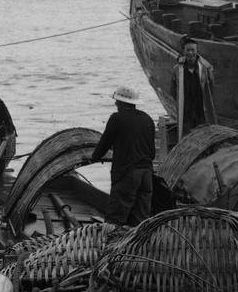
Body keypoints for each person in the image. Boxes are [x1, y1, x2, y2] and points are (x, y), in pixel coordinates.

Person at [90, 86, 155, 226]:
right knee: (140, 219)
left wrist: (93, 158)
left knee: (115, 218)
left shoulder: (117, 118)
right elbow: (152, 152)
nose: (115, 104)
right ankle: (139, 245)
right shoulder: (147, 119)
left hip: (127, 174)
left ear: (122, 103)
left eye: (117, 101)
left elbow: (104, 143)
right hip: (147, 174)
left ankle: (112, 246)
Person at [171, 38, 215, 138]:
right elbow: (173, 91)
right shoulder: (177, 70)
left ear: (196, 51)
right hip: (186, 113)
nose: (190, 53)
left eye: (193, 50)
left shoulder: (205, 68)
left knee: (204, 138)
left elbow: (211, 88)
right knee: (186, 138)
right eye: (188, 50)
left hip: (201, 112)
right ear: (184, 51)